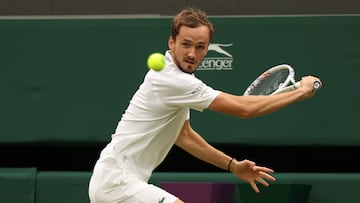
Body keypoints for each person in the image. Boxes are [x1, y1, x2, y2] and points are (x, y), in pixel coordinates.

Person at [88, 7, 321, 203]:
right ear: (172, 42)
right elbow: (245, 109)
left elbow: (184, 136)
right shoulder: (172, 80)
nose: (192, 53)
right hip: (116, 180)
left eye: (200, 47)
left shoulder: (177, 80)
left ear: (207, 48)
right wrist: (299, 92)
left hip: (119, 179)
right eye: (186, 44)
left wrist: (233, 166)